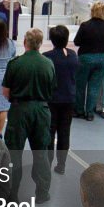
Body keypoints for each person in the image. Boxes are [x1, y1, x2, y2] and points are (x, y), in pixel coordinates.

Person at [2, 28, 55, 203]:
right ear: (40, 43)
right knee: (41, 152)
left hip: (19, 110)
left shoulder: (15, 63)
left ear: (25, 42)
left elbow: (6, 92)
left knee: (14, 153)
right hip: (41, 111)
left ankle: (12, 195)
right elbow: (52, 89)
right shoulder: (48, 64)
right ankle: (42, 192)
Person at [43, 25, 79, 175]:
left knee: (49, 132)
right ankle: (62, 164)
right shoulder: (72, 56)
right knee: (65, 132)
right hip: (68, 99)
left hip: (52, 100)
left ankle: (47, 162)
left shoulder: (47, 57)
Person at [73, 1, 104, 121]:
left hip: (86, 58)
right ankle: (89, 113)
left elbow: (77, 41)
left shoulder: (85, 25)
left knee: (80, 85)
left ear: (92, 11)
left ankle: (79, 110)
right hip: (102, 58)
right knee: (95, 86)